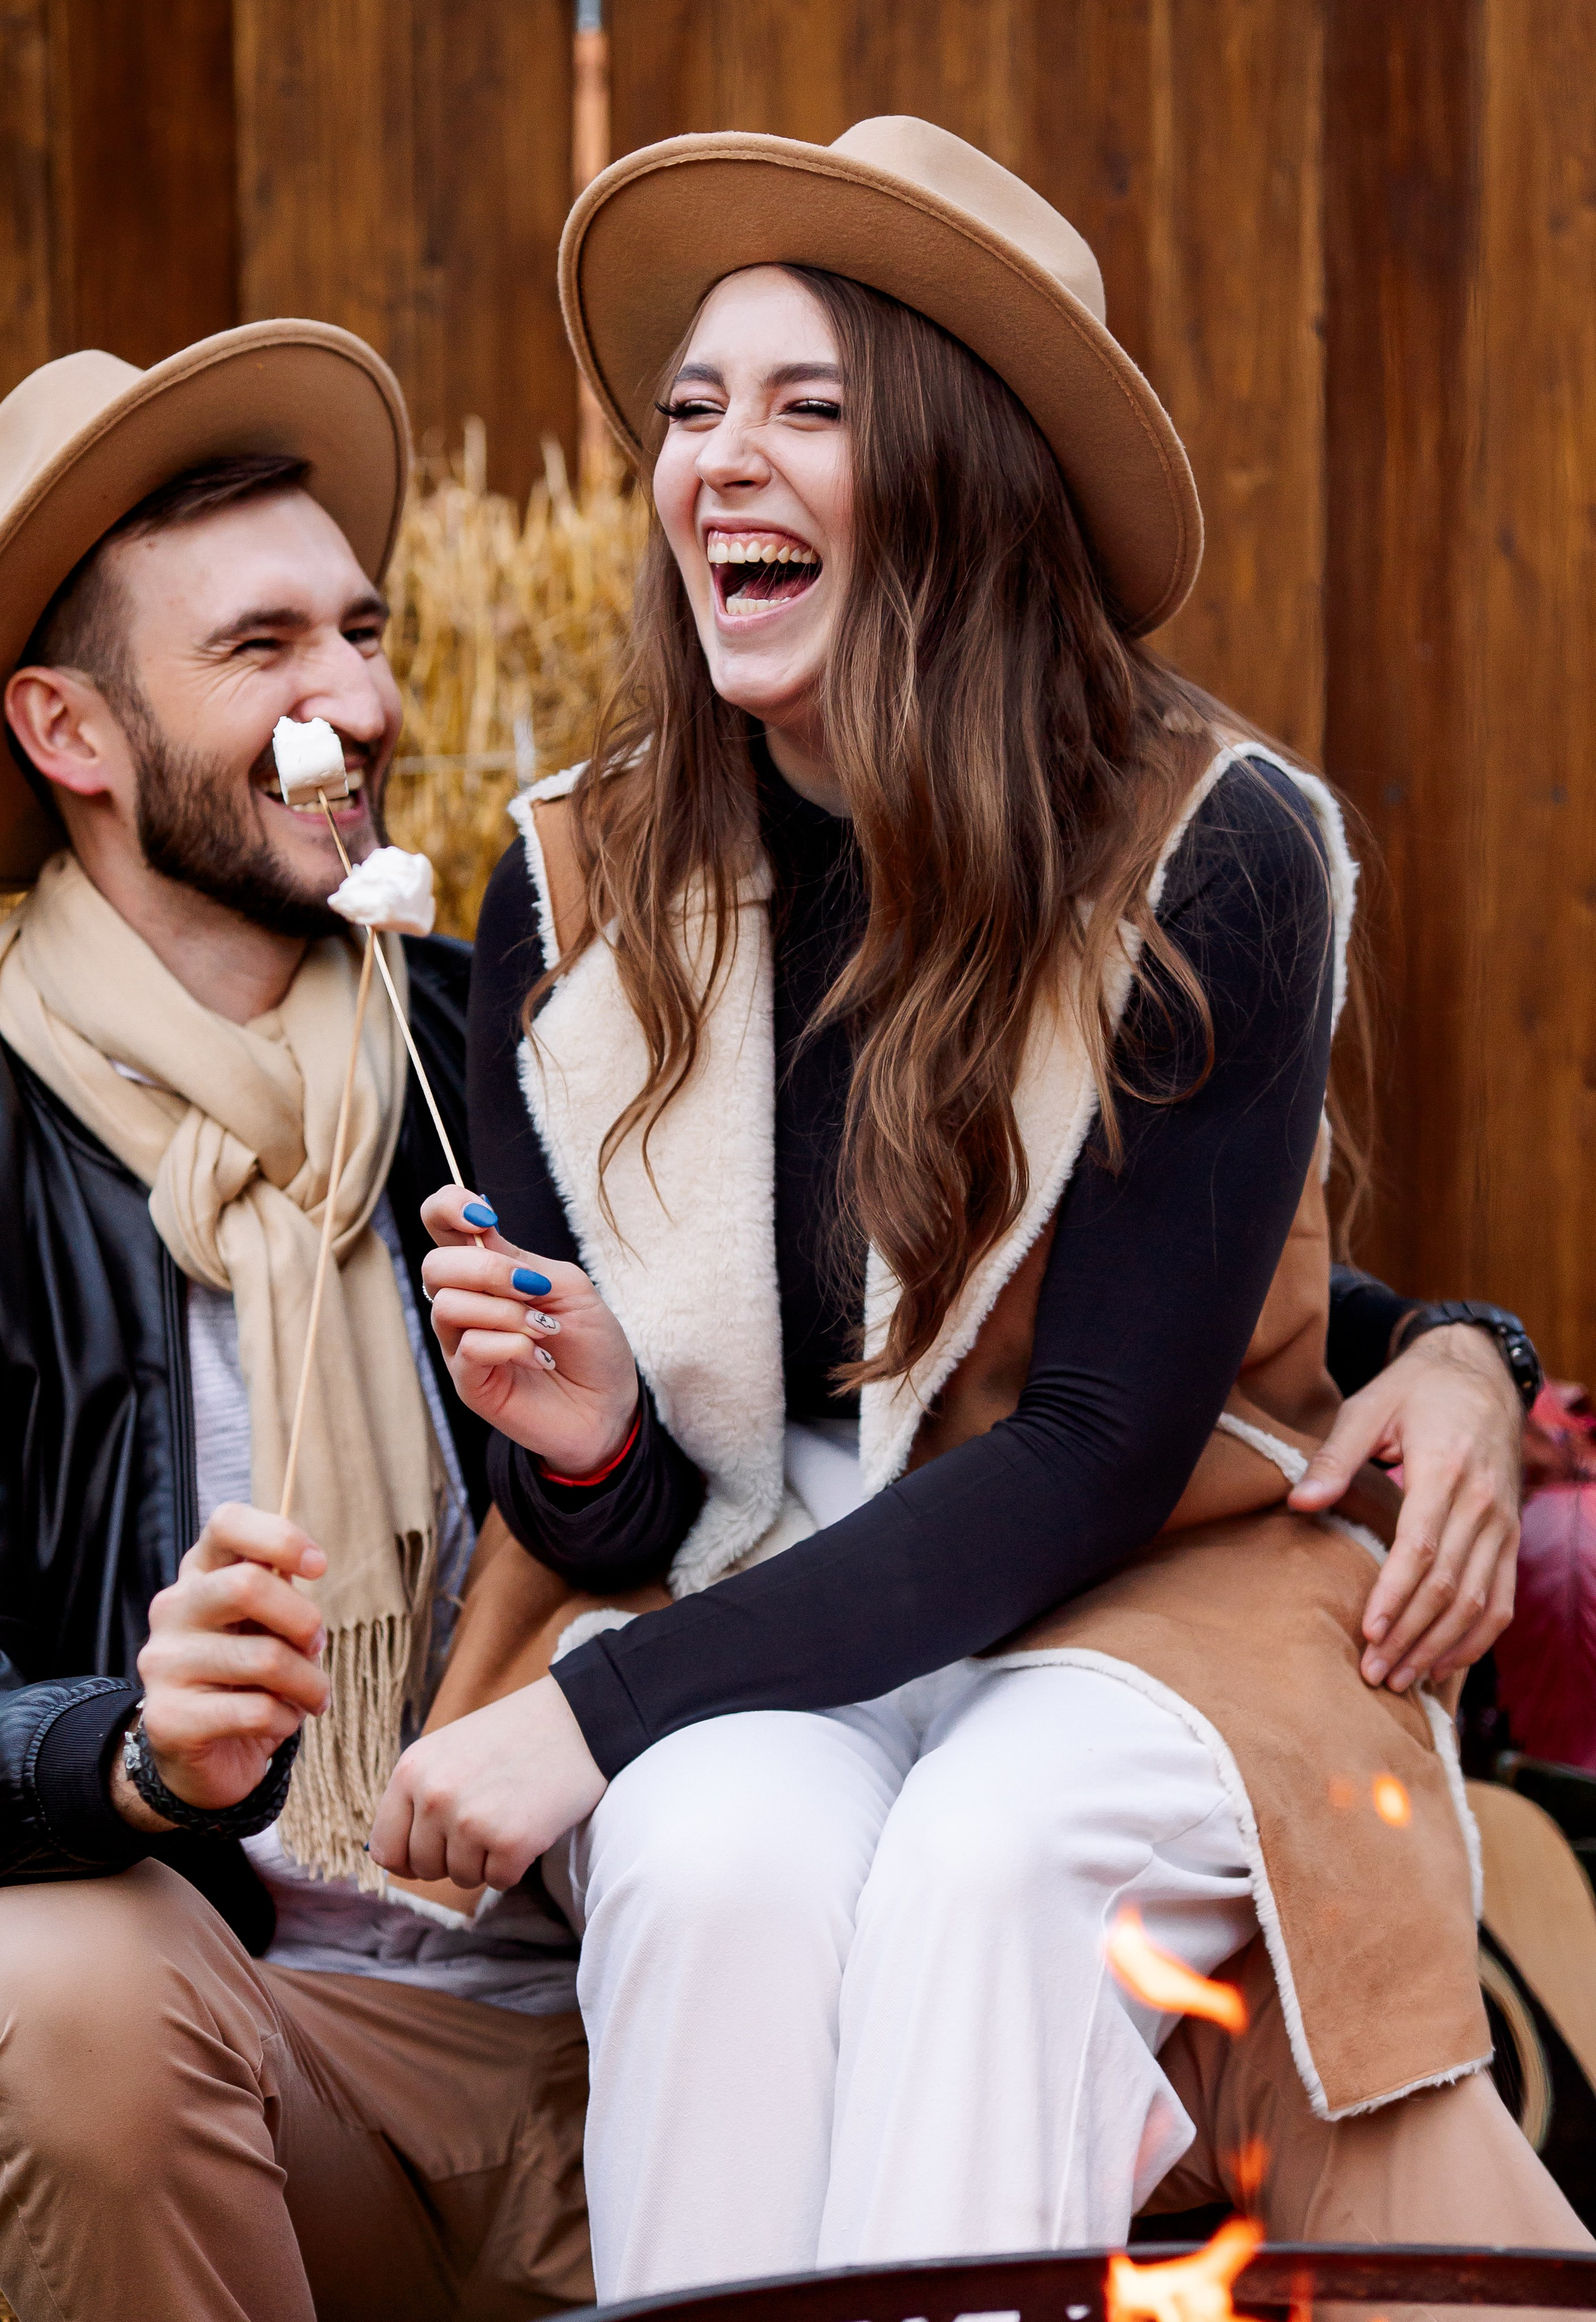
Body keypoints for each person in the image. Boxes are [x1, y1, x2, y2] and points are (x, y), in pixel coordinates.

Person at [372, 121, 1585, 2298]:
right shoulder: (572, 894)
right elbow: (644, 1521)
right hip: (758, 1592)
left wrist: (596, 1712)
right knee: (717, 1861)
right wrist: (592, 1448)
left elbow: (1106, 1435)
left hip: (1156, 1580)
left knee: (992, 1862)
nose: (720, 460)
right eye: (692, 409)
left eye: (811, 408)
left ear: (961, 471)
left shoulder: (1219, 853)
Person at [0, 327, 589, 2322]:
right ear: (72, 733)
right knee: (54, 1978)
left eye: (363, 627)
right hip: (244, 2047)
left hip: (635, 2007)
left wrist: (1443, 1351)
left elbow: (982, 1303)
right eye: (263, 649)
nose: (362, 697)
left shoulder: (517, 1036)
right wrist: (129, 1757)